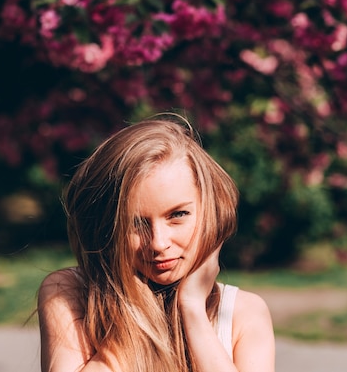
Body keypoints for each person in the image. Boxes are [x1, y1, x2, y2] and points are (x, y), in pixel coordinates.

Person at [37, 113, 275, 372]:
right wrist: (131, 311)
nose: (159, 244)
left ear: (211, 211)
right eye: (135, 223)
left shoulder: (243, 313)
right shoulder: (71, 293)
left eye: (177, 215)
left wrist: (192, 308)